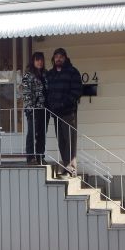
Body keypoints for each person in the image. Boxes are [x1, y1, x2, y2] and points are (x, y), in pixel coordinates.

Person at [45, 47, 82, 177]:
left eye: (61, 56)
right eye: (56, 57)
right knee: (61, 141)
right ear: (53, 59)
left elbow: (76, 92)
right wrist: (51, 106)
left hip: (68, 112)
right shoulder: (50, 74)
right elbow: (47, 92)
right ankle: (66, 166)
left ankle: (71, 168)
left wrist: (64, 103)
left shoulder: (73, 72)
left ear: (65, 58)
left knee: (70, 140)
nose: (58, 59)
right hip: (55, 113)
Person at [21, 51, 47, 165]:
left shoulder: (45, 74)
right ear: (33, 61)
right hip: (33, 110)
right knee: (32, 133)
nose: (40, 62)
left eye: (41, 60)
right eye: (37, 60)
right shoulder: (28, 76)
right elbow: (26, 94)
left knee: (42, 134)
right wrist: (30, 109)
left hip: (44, 109)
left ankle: (40, 156)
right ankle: (30, 157)